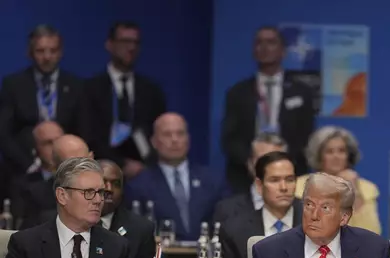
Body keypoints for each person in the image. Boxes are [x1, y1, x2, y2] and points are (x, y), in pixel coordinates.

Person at [250, 172, 390, 258]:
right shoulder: (268, 252)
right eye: (309, 205)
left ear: (344, 217)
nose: (314, 215)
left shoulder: (375, 251)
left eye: (325, 208)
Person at [0, 157, 131, 258]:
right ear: (62, 196)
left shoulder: (116, 248)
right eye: (88, 192)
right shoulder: (26, 245)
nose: (98, 200)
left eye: (100, 192)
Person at [221, 26, 315, 194]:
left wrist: (282, 163)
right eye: (259, 43)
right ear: (253, 50)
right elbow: (230, 138)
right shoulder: (238, 92)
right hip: (246, 177)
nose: (264, 47)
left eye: (271, 42)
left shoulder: (302, 92)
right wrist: (252, 161)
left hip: (291, 174)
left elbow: (307, 136)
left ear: (283, 51)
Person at [80, 21, 166, 178]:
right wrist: (120, 164)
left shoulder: (152, 91)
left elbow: (158, 134)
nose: (131, 48)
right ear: (110, 45)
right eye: (125, 42)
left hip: (145, 173)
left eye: (136, 43)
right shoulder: (89, 89)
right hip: (101, 172)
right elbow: (87, 135)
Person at [125, 112, 228, 241]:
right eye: (167, 134)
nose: (174, 140)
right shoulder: (138, 185)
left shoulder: (214, 180)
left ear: (188, 139)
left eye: (180, 133)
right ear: (154, 142)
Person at [0, 24, 83, 176]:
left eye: (53, 51)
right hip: (24, 169)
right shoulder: (13, 85)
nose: (47, 57)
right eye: (40, 51)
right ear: (30, 53)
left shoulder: (76, 86)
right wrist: (29, 166)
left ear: (61, 53)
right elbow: (4, 134)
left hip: (67, 170)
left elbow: (83, 131)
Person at [220, 151, 302, 258]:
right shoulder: (234, 231)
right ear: (259, 185)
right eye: (274, 180)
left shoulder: (314, 225)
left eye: (289, 180)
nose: (284, 188)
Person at [296, 126, 381, 234]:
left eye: (341, 151)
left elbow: (372, 232)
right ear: (319, 156)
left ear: (348, 155)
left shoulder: (367, 189)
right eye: (329, 151)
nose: (336, 156)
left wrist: (355, 190)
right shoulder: (299, 186)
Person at [99, 160, 155, 258]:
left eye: (116, 184)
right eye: (103, 182)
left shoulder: (141, 228)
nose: (109, 189)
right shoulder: (70, 222)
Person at [20, 134, 92, 229]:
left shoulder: (106, 189)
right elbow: (27, 237)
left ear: (91, 157)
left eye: (83, 163)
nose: (79, 171)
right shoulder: (36, 196)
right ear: (55, 166)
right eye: (70, 166)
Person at [213, 133, 288, 224]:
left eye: (276, 160)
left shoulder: (303, 210)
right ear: (250, 164)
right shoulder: (227, 211)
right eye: (263, 160)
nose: (270, 166)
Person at [11, 121, 63, 226]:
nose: (54, 148)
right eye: (48, 143)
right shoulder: (21, 185)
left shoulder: (80, 181)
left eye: (59, 141)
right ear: (36, 149)